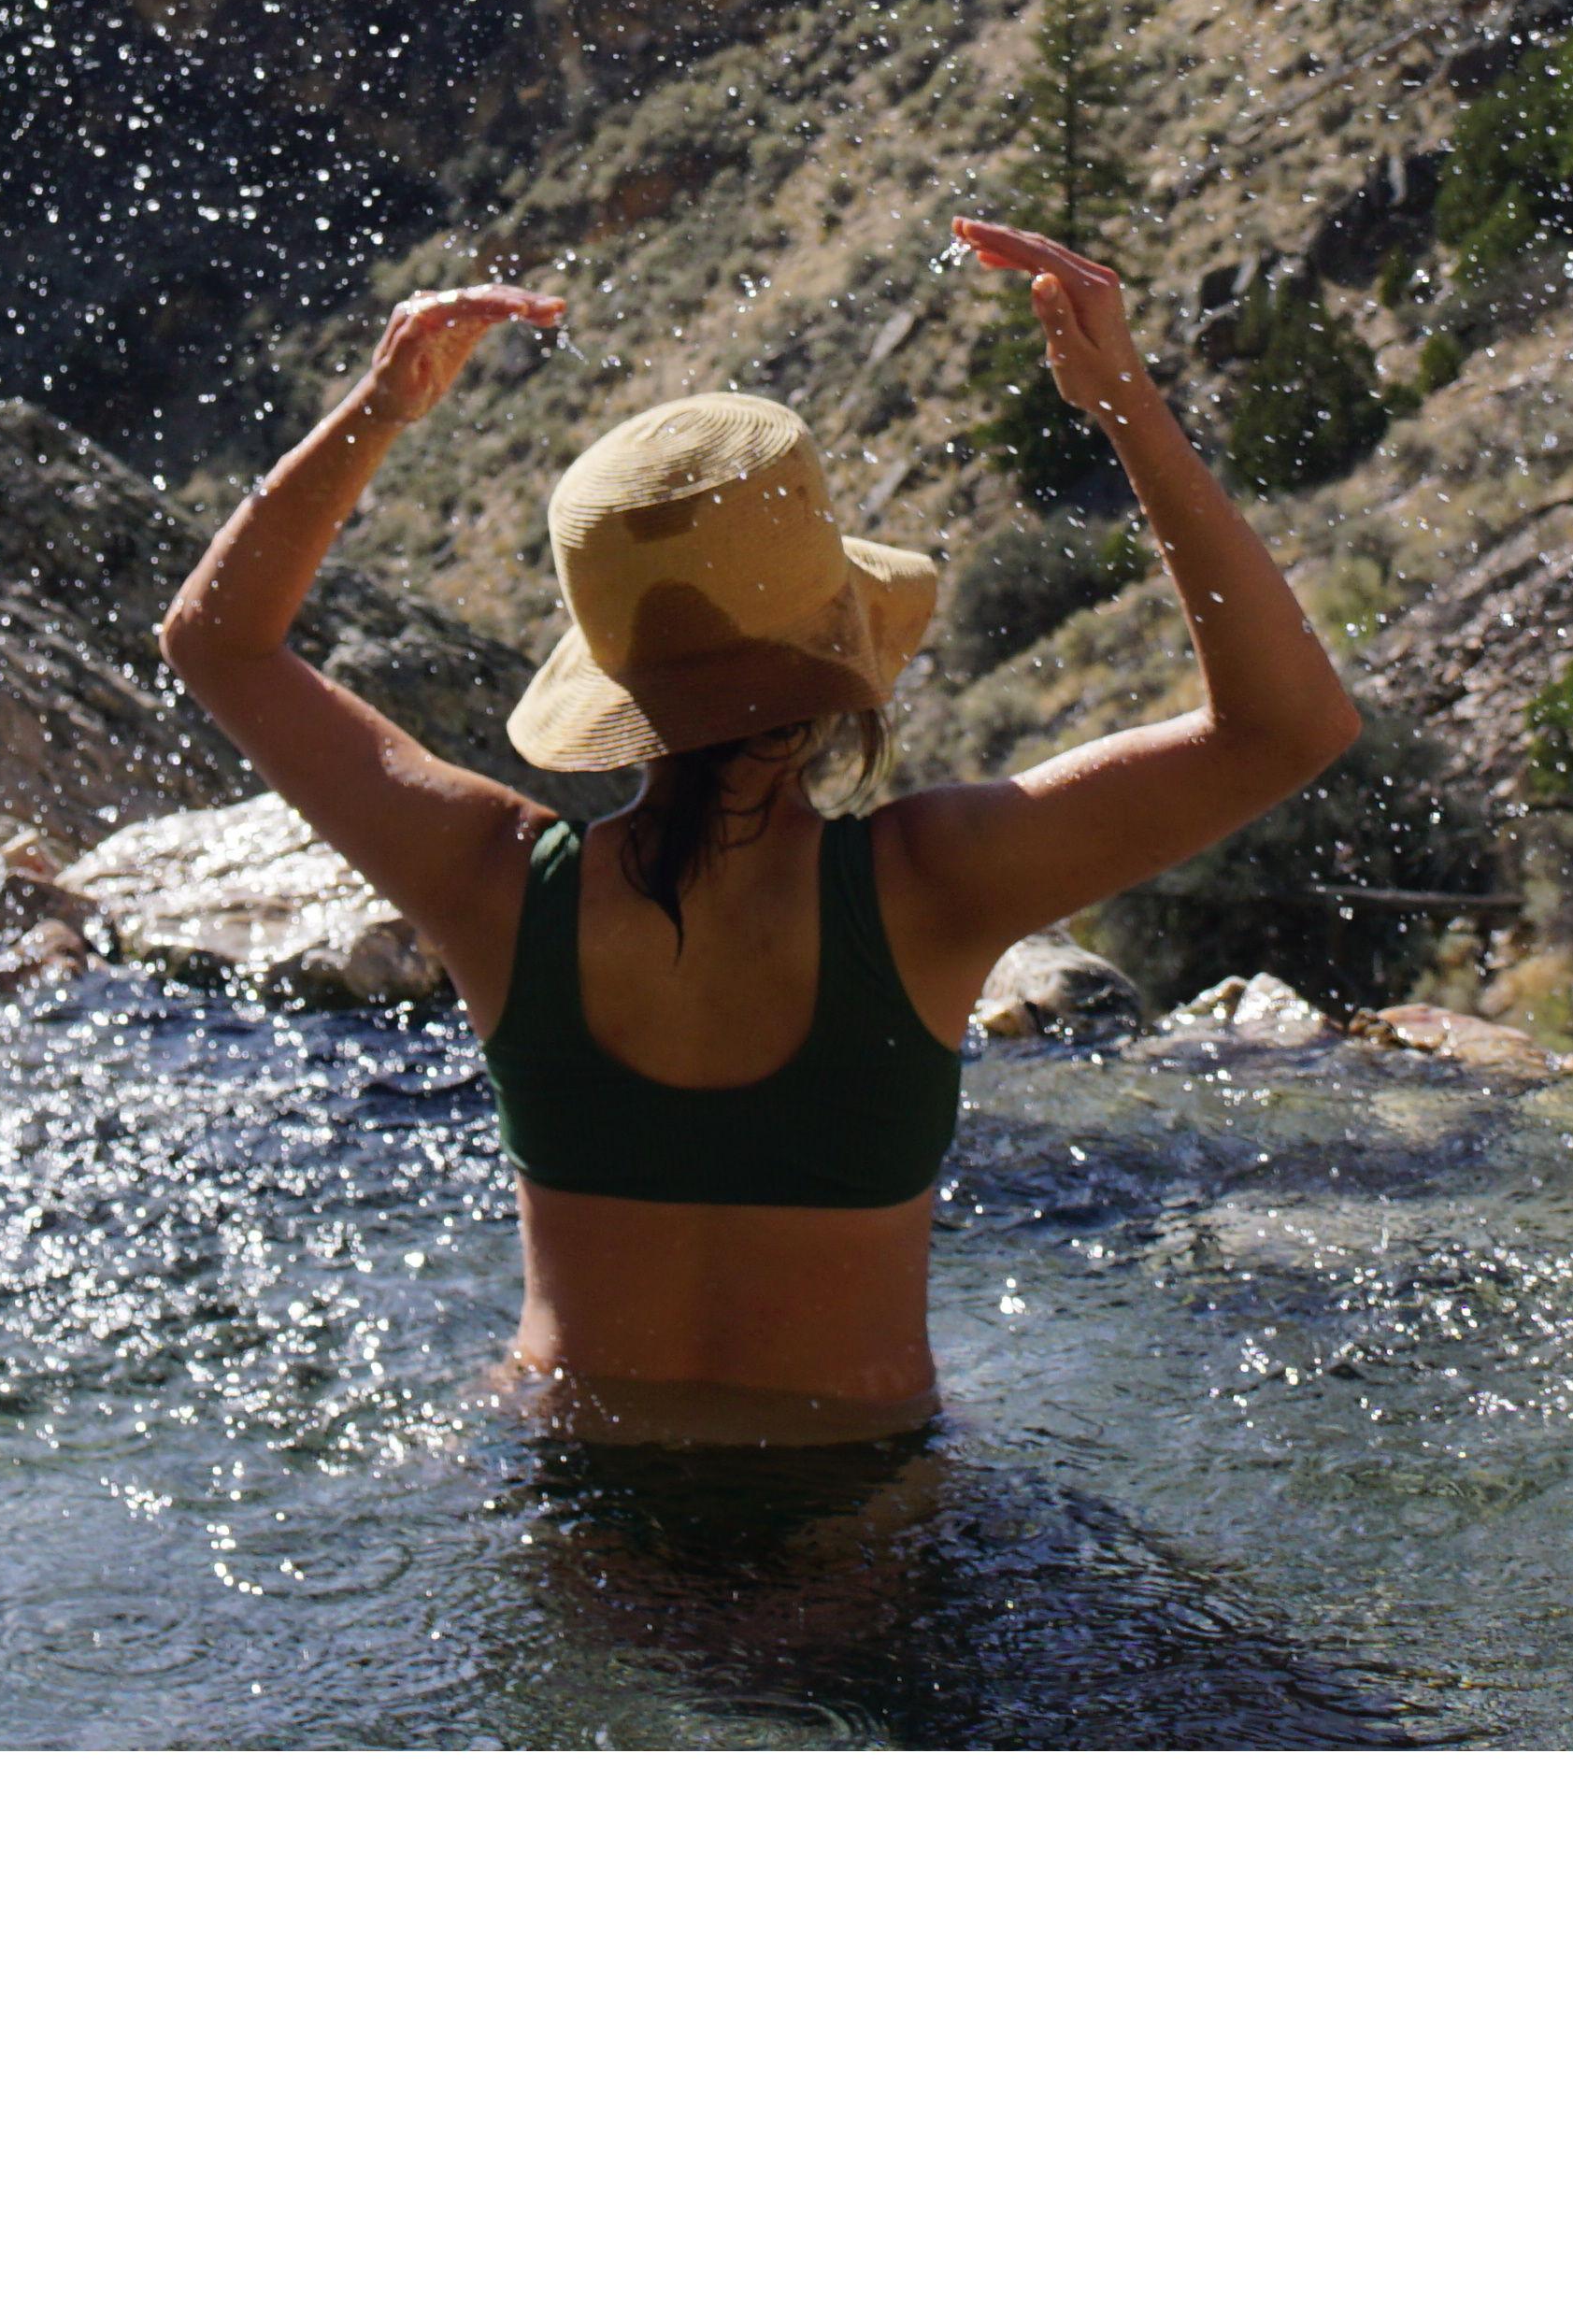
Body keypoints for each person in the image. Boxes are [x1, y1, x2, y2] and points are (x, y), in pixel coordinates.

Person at [152, 215, 1365, 1438]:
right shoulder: (932, 885)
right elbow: (1288, 727)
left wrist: (378, 407)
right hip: (848, 1526)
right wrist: (1125, 406)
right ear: (836, 660)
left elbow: (217, 641)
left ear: (611, 682)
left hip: (569, 1503)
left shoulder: (493, 887)